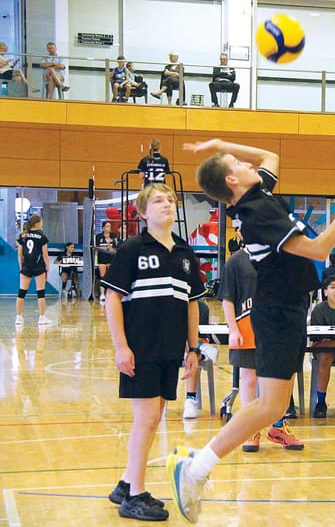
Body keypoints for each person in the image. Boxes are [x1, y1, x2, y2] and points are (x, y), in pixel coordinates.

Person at [168, 138, 335, 523]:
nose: (249, 162)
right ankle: (194, 468)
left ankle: (197, 466)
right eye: (238, 162)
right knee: (269, 405)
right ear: (232, 180)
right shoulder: (258, 213)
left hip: (290, 308)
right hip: (276, 312)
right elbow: (317, 249)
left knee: (275, 405)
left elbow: (270, 157)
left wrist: (217, 143)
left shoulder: (256, 193)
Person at [103, 183, 206, 522]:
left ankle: (127, 482)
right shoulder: (133, 249)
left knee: (153, 419)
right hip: (141, 349)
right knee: (146, 419)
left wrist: (194, 348)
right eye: (158, 201)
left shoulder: (185, 254)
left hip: (170, 351)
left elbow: (193, 305)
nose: (167, 205)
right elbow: (113, 299)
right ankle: (134, 497)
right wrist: (121, 346)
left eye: (171, 200)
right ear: (143, 212)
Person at [218, 248, 304, 448]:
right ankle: (251, 429)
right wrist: (232, 329)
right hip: (246, 326)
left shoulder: (281, 257)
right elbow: (227, 298)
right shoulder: (236, 261)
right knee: (249, 379)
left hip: (277, 328)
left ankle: (278, 427)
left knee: (281, 380)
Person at [309, 275, 335, 418]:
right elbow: (317, 340)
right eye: (333, 287)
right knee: (325, 356)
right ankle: (321, 402)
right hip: (324, 349)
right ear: (325, 292)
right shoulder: (318, 310)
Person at [15, 214, 52, 326]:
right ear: (37, 223)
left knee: (21, 293)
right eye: (41, 221)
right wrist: (48, 268)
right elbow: (45, 254)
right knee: (41, 293)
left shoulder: (23, 236)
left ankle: (19, 318)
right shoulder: (42, 237)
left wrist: (21, 266)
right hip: (38, 266)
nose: (42, 223)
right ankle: (42, 318)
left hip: (26, 266)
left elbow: (20, 253)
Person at [95, 221, 119, 303]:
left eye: (110, 226)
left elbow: (115, 249)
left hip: (111, 258)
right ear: (103, 228)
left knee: (111, 275)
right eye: (107, 226)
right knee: (103, 275)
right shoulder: (98, 236)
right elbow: (97, 248)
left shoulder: (114, 236)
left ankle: (111, 294)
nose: (109, 228)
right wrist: (104, 249)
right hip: (102, 258)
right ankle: (102, 294)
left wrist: (109, 247)